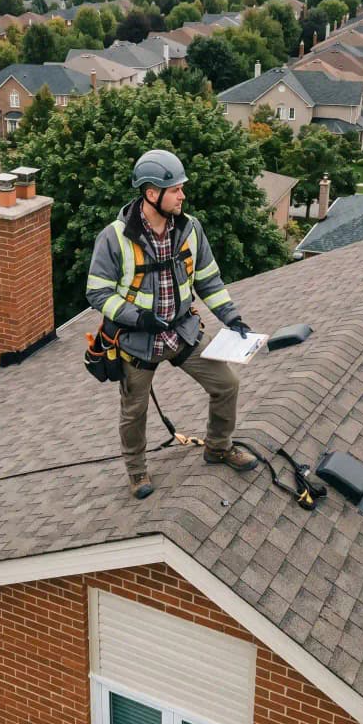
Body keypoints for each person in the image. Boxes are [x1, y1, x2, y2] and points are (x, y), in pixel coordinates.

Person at [86, 149, 257, 499]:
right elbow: (97, 292)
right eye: (176, 189)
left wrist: (232, 316)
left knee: (227, 384)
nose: (183, 195)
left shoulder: (190, 229)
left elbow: (209, 279)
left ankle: (218, 447)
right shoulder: (115, 237)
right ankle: (136, 472)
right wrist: (139, 317)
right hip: (137, 342)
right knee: (134, 413)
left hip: (182, 333)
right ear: (152, 193)